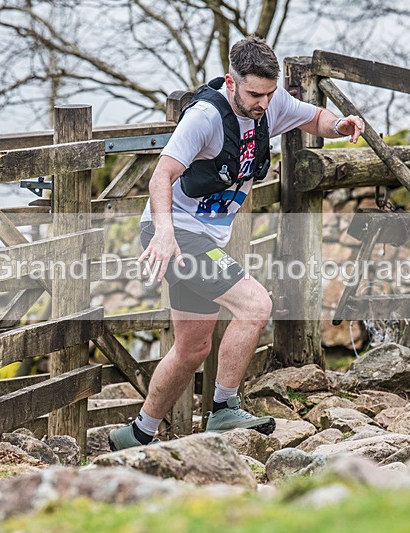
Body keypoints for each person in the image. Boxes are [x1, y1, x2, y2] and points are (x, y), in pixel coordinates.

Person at [109, 36, 364, 451]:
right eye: (254, 94)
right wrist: (166, 231)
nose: (263, 103)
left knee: (192, 349)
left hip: (202, 241)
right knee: (256, 305)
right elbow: (160, 177)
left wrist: (341, 125)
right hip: (175, 235)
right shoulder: (205, 118)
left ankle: (136, 434)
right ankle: (224, 408)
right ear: (231, 82)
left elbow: (314, 118)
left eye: (268, 93)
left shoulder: (272, 102)